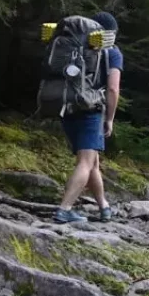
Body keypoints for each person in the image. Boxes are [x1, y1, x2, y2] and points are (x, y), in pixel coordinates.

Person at [54, 12, 122, 224]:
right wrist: (109, 119)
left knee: (92, 162)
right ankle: (64, 209)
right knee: (85, 162)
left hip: (67, 105)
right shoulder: (112, 51)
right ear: (111, 32)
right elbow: (113, 89)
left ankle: (104, 207)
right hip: (91, 109)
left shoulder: (73, 45)